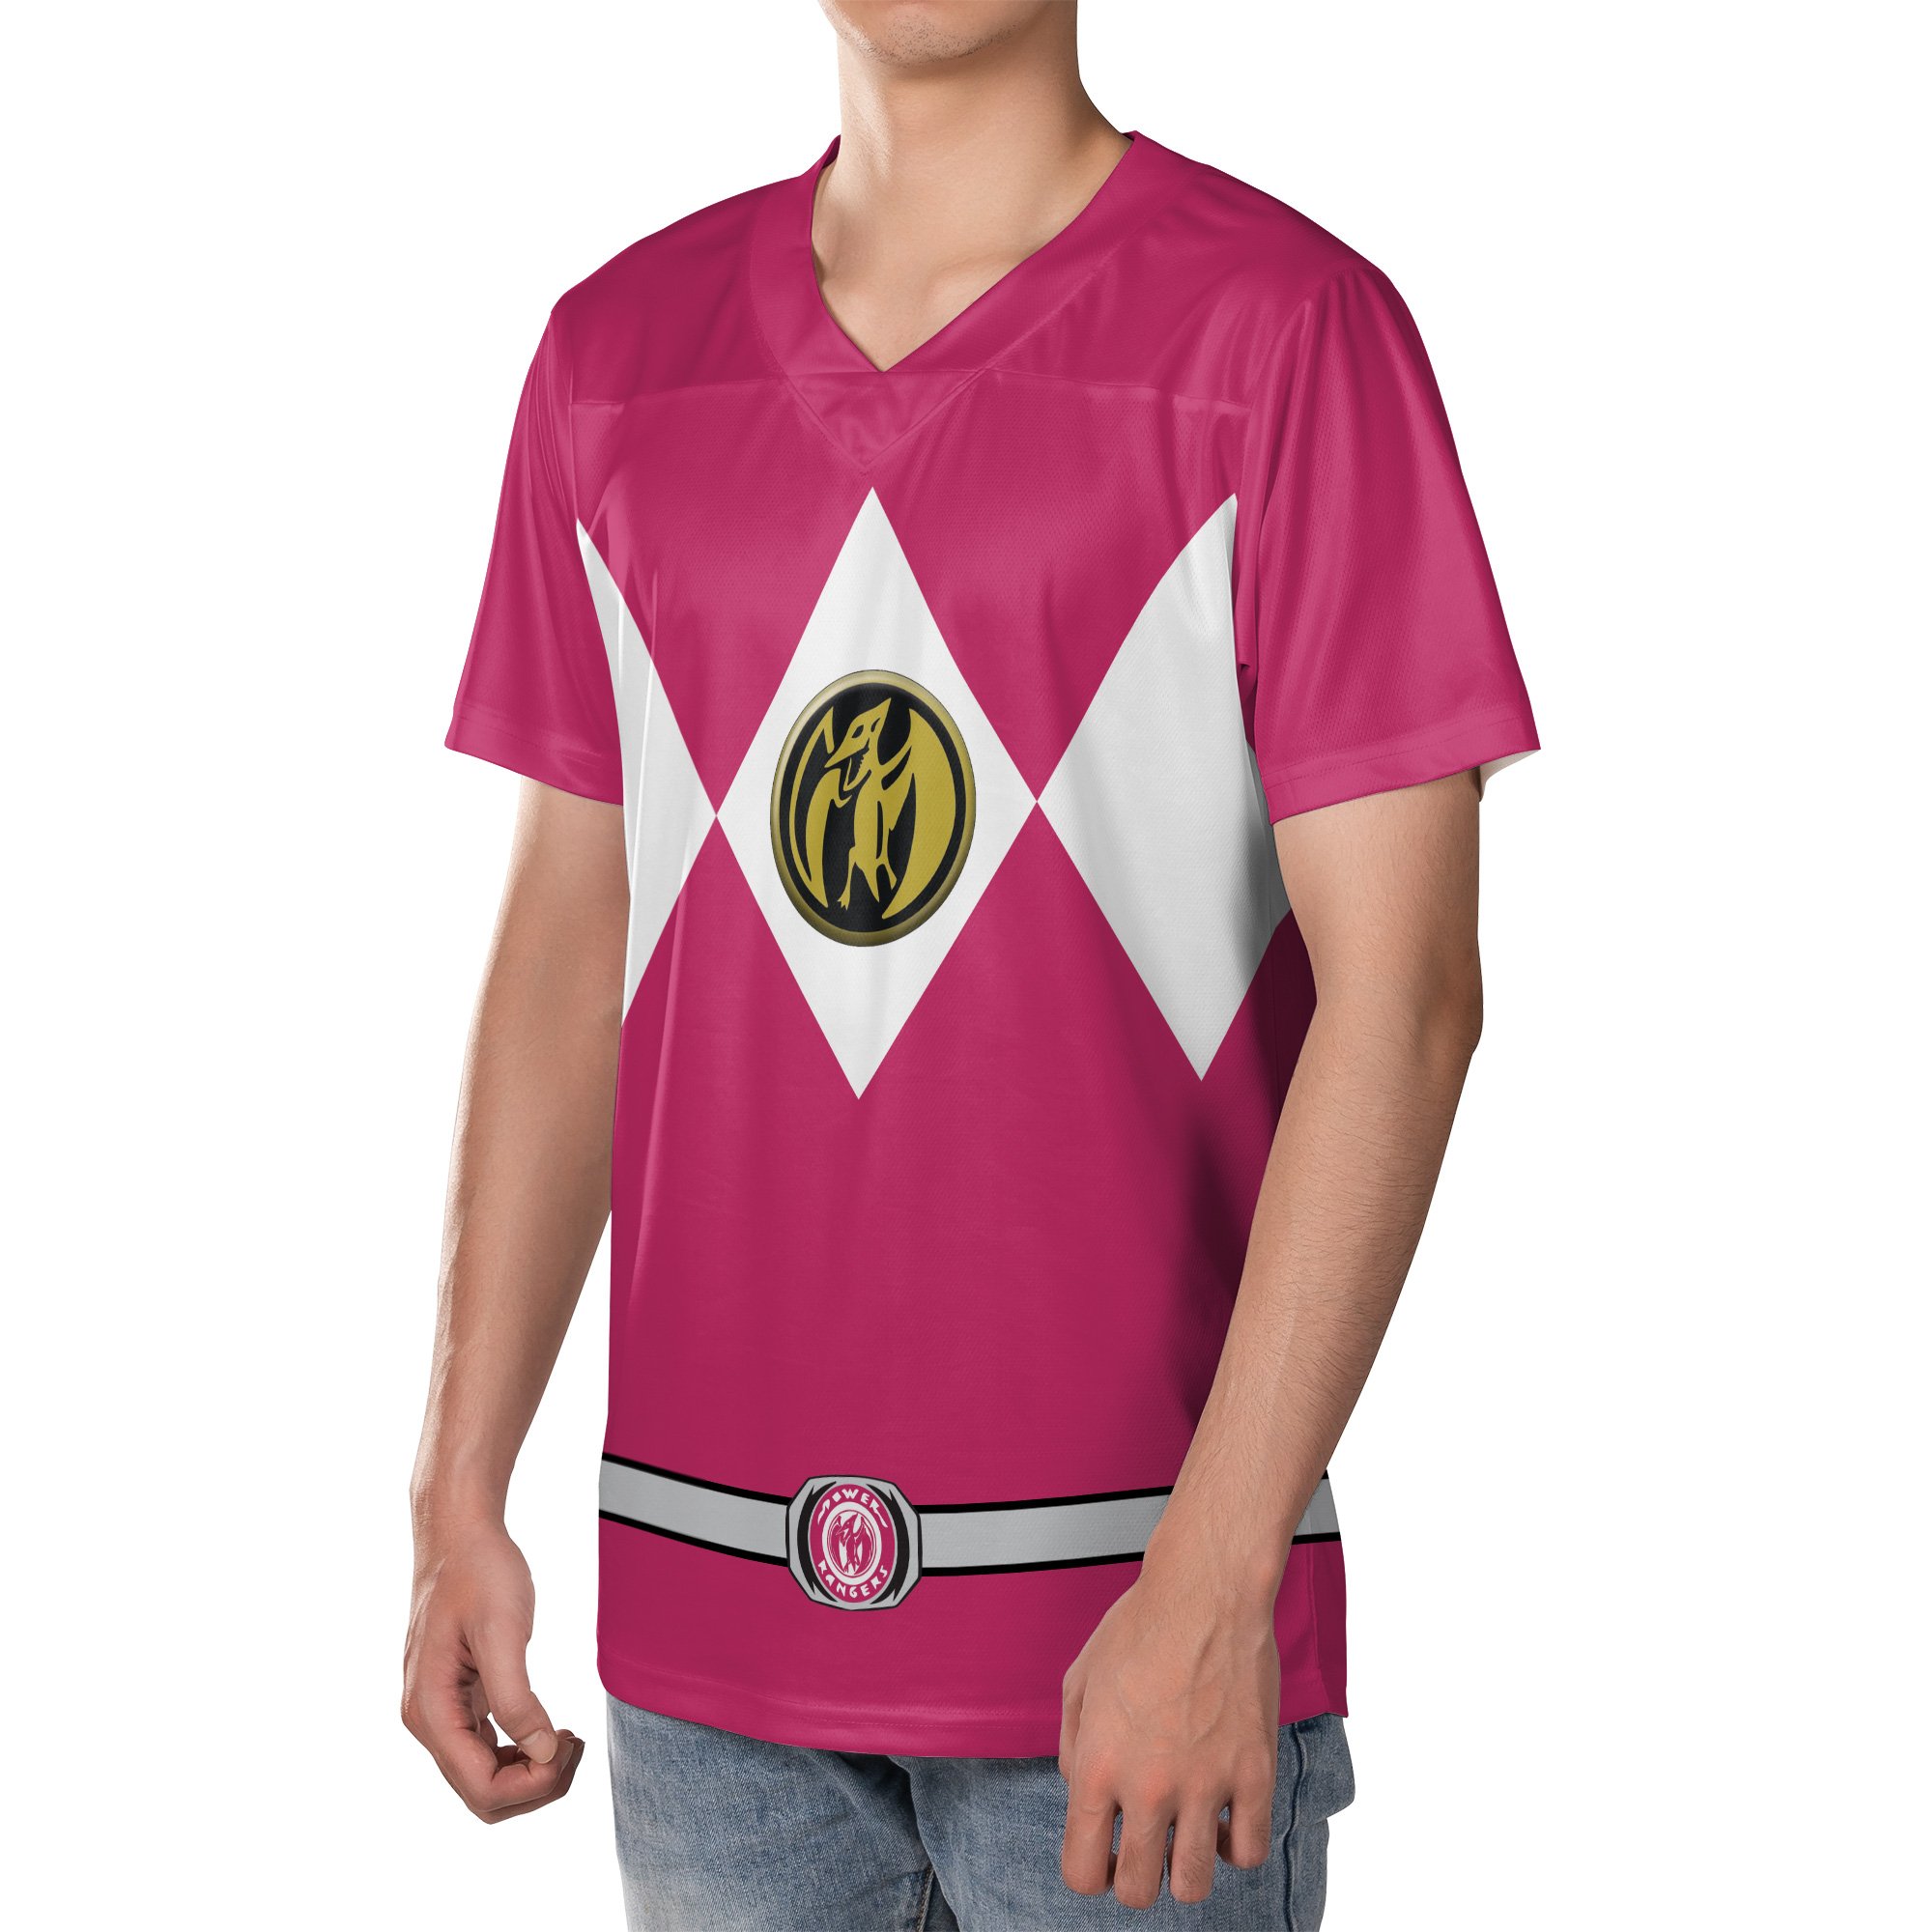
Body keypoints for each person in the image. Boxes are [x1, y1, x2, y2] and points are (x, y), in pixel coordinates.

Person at [402, 1, 1537, 1922]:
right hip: (703, 1635)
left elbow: (1409, 995)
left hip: (1131, 1638)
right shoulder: (610, 358)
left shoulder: (1288, 335)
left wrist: (1217, 1576)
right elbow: (569, 944)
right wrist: (455, 1483)